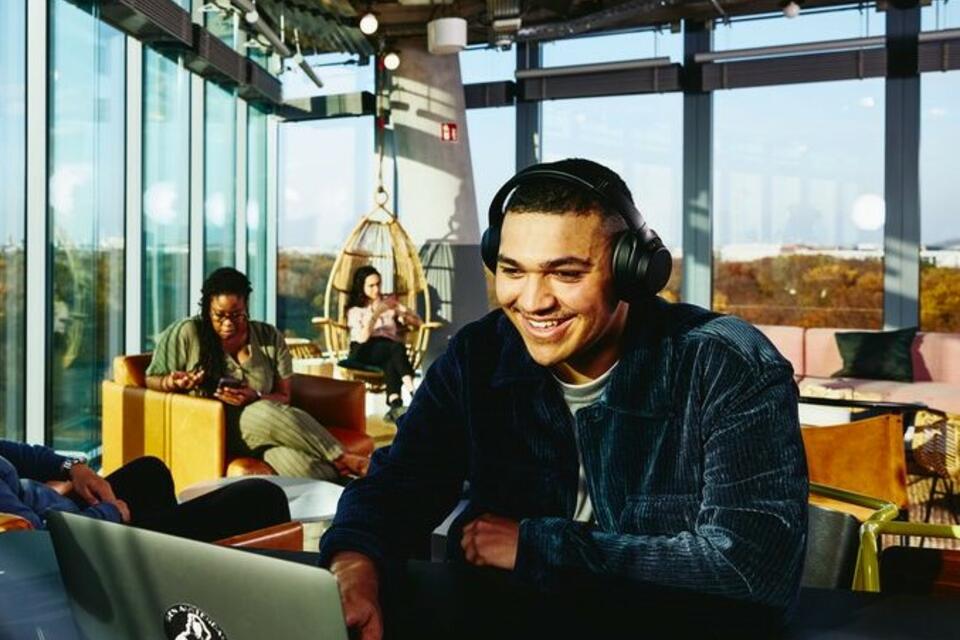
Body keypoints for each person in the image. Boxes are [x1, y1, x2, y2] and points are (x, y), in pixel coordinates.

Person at [318, 159, 808, 639]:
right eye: (513, 270)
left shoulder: (726, 364)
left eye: (565, 274)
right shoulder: (479, 356)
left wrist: (538, 547)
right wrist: (353, 563)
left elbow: (752, 570)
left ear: (631, 272)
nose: (532, 301)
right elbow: (400, 485)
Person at [145, 267, 369, 481]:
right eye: (219, 315)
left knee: (304, 467)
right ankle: (346, 458)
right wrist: (171, 382)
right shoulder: (188, 332)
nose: (228, 323)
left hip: (267, 429)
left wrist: (256, 396)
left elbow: (284, 397)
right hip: (213, 426)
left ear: (247, 307)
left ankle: (355, 498)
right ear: (206, 308)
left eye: (236, 315)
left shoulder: (268, 337)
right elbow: (150, 379)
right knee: (261, 411)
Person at [0, 441, 290, 542]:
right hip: (82, 548)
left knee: (150, 472)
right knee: (261, 497)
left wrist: (73, 468)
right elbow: (41, 546)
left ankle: (163, 571)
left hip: (61, 514)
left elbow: (19, 453)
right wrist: (109, 513)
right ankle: (152, 560)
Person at [345, 266, 422, 421]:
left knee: (391, 359)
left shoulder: (389, 305)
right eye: (371, 286)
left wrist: (402, 310)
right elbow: (362, 338)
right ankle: (415, 393)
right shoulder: (355, 310)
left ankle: (395, 404)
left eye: (378, 284)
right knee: (395, 348)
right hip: (363, 350)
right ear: (362, 287)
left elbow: (419, 323)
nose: (377, 289)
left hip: (387, 350)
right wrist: (376, 313)